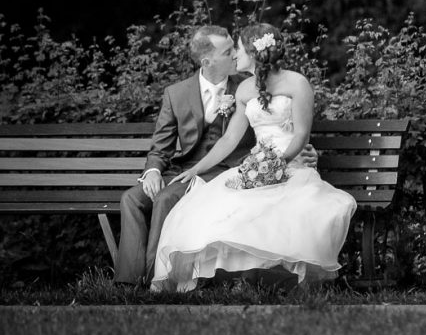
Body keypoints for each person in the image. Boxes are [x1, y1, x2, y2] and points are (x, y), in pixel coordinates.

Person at [150, 23, 356, 292]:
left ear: (253, 52)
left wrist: (275, 165)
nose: (235, 54)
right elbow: (229, 139)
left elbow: (301, 135)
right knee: (213, 208)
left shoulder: (297, 83)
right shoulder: (245, 89)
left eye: (237, 48)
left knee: (291, 211)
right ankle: (237, 280)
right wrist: (196, 170)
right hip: (255, 168)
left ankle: (270, 282)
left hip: (291, 167)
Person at [114, 25, 317, 286]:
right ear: (206, 61)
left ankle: (156, 277)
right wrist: (155, 171)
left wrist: (297, 154)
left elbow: (294, 131)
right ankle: (129, 281)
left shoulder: (247, 84)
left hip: (238, 169)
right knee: (131, 198)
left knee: (166, 199)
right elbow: (169, 145)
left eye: (236, 49)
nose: (234, 55)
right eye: (228, 51)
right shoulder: (179, 93)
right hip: (195, 169)